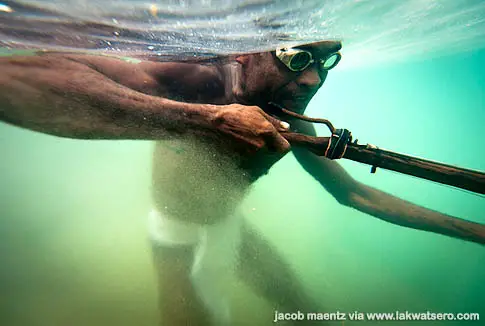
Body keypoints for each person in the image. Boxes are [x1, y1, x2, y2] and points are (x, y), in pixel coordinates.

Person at [1, 40, 484, 326]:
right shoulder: (196, 80)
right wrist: (205, 119)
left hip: (229, 224)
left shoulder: (293, 117)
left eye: (327, 60)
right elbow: (13, 81)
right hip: (175, 234)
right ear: (251, 49)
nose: (314, 78)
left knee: (303, 308)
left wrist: (474, 231)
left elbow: (354, 192)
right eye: (297, 58)